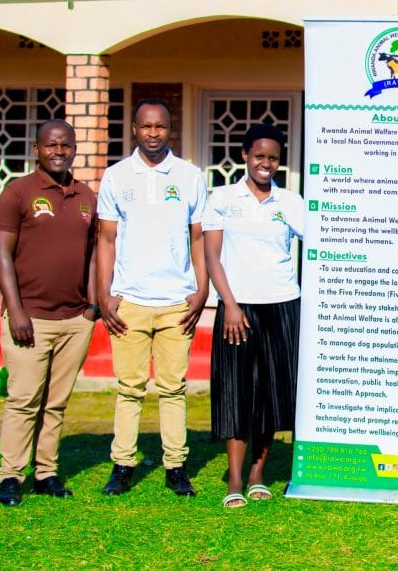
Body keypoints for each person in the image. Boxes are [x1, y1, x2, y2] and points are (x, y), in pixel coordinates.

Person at [96, 97, 209, 497]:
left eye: (160, 126)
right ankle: (123, 464)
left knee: (173, 387)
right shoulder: (116, 176)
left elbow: (198, 238)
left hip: (177, 300)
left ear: (169, 129)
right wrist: (105, 293)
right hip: (130, 300)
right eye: (146, 126)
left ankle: (175, 467)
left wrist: (202, 288)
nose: (153, 133)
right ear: (134, 129)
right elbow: (106, 239)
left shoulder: (190, 175)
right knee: (129, 387)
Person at [0, 119, 99, 506]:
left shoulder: (86, 195)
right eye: (51, 145)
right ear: (37, 149)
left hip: (74, 320)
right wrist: (16, 310)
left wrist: (91, 305)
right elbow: (1, 253)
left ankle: (46, 472)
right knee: (24, 399)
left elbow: (93, 254)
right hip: (30, 317)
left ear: (74, 148)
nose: (59, 151)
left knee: (56, 403)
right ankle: (11, 476)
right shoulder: (17, 192)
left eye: (66, 145)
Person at [204, 124, 303, 508]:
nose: (266, 164)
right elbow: (212, 256)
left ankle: (258, 474)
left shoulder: (290, 201)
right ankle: (234, 478)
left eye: (273, 158)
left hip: (282, 305)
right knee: (236, 391)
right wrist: (229, 304)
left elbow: (321, 241)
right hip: (236, 308)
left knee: (269, 394)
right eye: (259, 156)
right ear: (245, 155)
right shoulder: (223, 198)